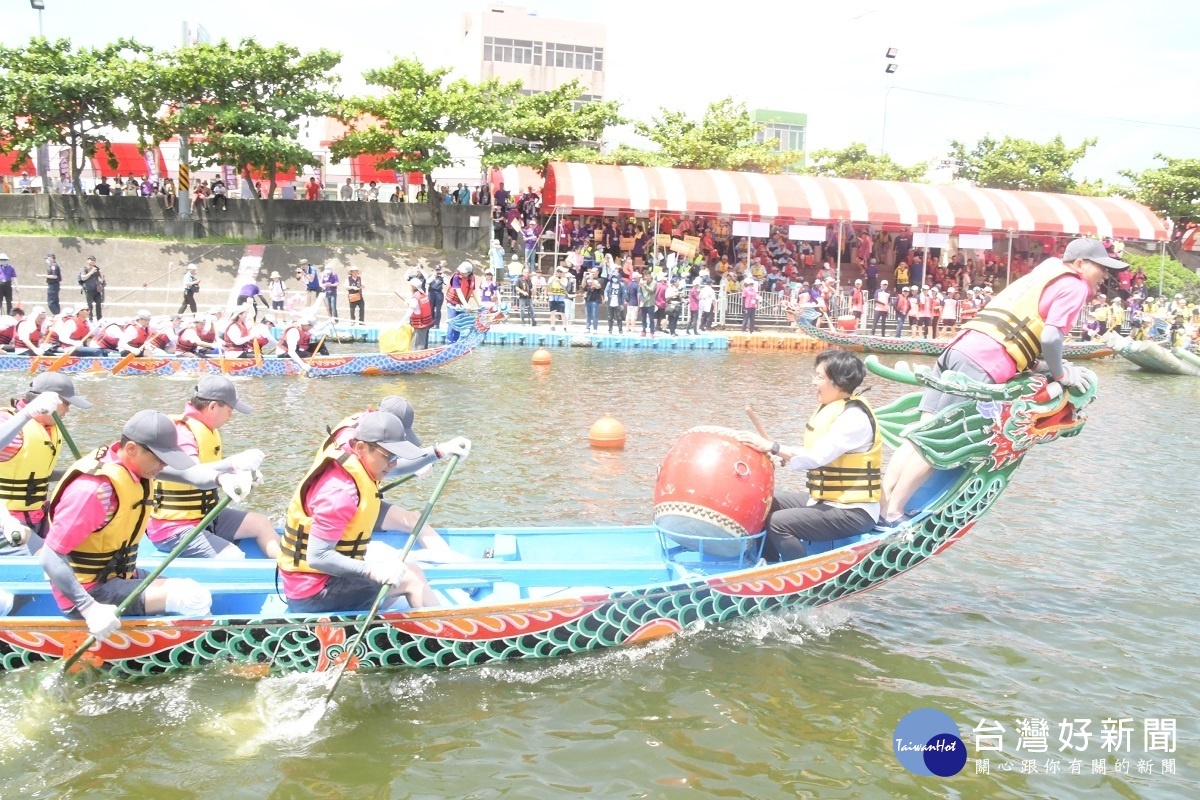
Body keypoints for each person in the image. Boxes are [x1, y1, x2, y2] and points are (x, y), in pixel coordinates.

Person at [880, 238, 1125, 525]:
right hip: (983, 361)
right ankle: (894, 511)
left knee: (919, 431)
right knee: (939, 442)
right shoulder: (1075, 284)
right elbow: (1050, 336)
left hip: (958, 349)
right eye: (1101, 268)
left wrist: (1043, 365)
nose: (1105, 275)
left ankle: (883, 505)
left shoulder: (1044, 273)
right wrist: (1060, 374)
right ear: (1081, 264)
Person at [39, 410, 229, 641]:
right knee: (192, 597)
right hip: (88, 593)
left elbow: (189, 475)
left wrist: (223, 478)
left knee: (192, 589)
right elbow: (49, 556)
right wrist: (89, 609)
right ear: (131, 449)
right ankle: (202, 656)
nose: (163, 465)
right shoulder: (93, 492)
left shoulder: (135, 466)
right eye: (160, 458)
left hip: (116, 577)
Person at [277, 413, 448, 612]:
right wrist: (371, 570)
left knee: (398, 574)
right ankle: (443, 635)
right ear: (361, 448)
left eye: (397, 457)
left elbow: (388, 463)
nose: (393, 464)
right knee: (412, 578)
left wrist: (436, 453)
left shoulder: (354, 450)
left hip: (321, 581)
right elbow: (317, 557)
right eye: (390, 457)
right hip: (313, 593)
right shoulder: (339, 494)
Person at [736, 350, 881, 561]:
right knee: (764, 504)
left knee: (778, 522)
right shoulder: (834, 409)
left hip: (853, 512)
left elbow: (816, 458)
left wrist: (773, 447)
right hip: (826, 501)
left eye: (820, 377)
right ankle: (764, 561)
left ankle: (793, 572)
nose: (814, 382)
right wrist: (776, 452)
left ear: (839, 382)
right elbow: (814, 454)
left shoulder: (854, 417)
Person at [146, 377, 278, 559]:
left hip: (206, 517)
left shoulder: (208, 430)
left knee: (262, 523)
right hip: (175, 528)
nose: (231, 416)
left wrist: (242, 473)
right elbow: (192, 473)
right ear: (213, 407)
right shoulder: (183, 432)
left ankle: (287, 571)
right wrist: (232, 464)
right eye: (230, 410)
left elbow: (210, 470)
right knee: (233, 557)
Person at [0, 375, 91, 556]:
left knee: (85, 548)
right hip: (7, 524)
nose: (68, 411)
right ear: (50, 401)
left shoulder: (49, 428)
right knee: (53, 563)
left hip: (37, 517)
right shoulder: (10, 425)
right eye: (67, 404)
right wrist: (27, 414)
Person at [445, 262, 476, 344]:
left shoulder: (472, 277)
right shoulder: (456, 277)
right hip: (452, 303)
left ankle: (456, 342)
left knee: (460, 324)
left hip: (461, 304)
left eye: (464, 272)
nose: (461, 273)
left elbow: (473, 291)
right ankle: (449, 343)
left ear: (469, 272)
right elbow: (458, 291)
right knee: (453, 322)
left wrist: (480, 305)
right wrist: (466, 304)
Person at [405, 276, 435, 351]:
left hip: (420, 325)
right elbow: (418, 307)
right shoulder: (423, 295)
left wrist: (398, 325)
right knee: (424, 344)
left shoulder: (415, 299)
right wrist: (410, 303)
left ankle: (416, 360)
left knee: (418, 346)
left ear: (413, 287)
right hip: (426, 324)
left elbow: (408, 314)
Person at [604, 268, 625, 333]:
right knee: (610, 317)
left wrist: (622, 303)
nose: (614, 279)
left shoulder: (621, 285)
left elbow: (623, 294)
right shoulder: (609, 284)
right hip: (610, 302)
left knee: (619, 317)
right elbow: (606, 291)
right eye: (613, 277)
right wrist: (606, 296)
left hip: (617, 302)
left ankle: (620, 329)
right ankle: (610, 329)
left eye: (615, 277)